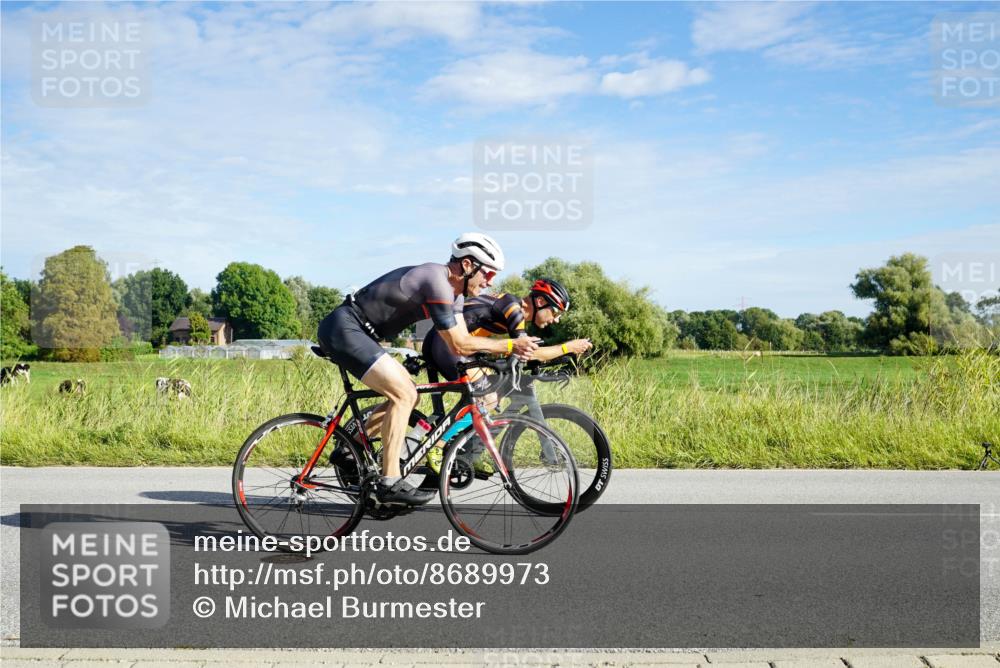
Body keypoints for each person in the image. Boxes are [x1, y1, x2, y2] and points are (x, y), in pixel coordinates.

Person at [316, 233, 539, 505]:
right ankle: (389, 480)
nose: (490, 281)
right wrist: (509, 346)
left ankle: (351, 447)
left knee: (408, 393)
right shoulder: (436, 280)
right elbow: (459, 342)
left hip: (360, 332)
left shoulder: (454, 296)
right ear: (467, 265)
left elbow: (460, 345)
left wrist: (496, 353)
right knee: (405, 394)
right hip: (346, 327)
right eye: (488, 273)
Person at [422, 278, 592, 473]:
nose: (556, 319)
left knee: (494, 392)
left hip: (449, 343)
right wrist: (566, 347)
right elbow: (528, 352)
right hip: (445, 344)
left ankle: (468, 453)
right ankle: (438, 446)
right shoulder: (514, 310)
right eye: (555, 311)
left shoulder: (514, 311)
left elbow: (516, 350)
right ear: (539, 302)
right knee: (486, 397)